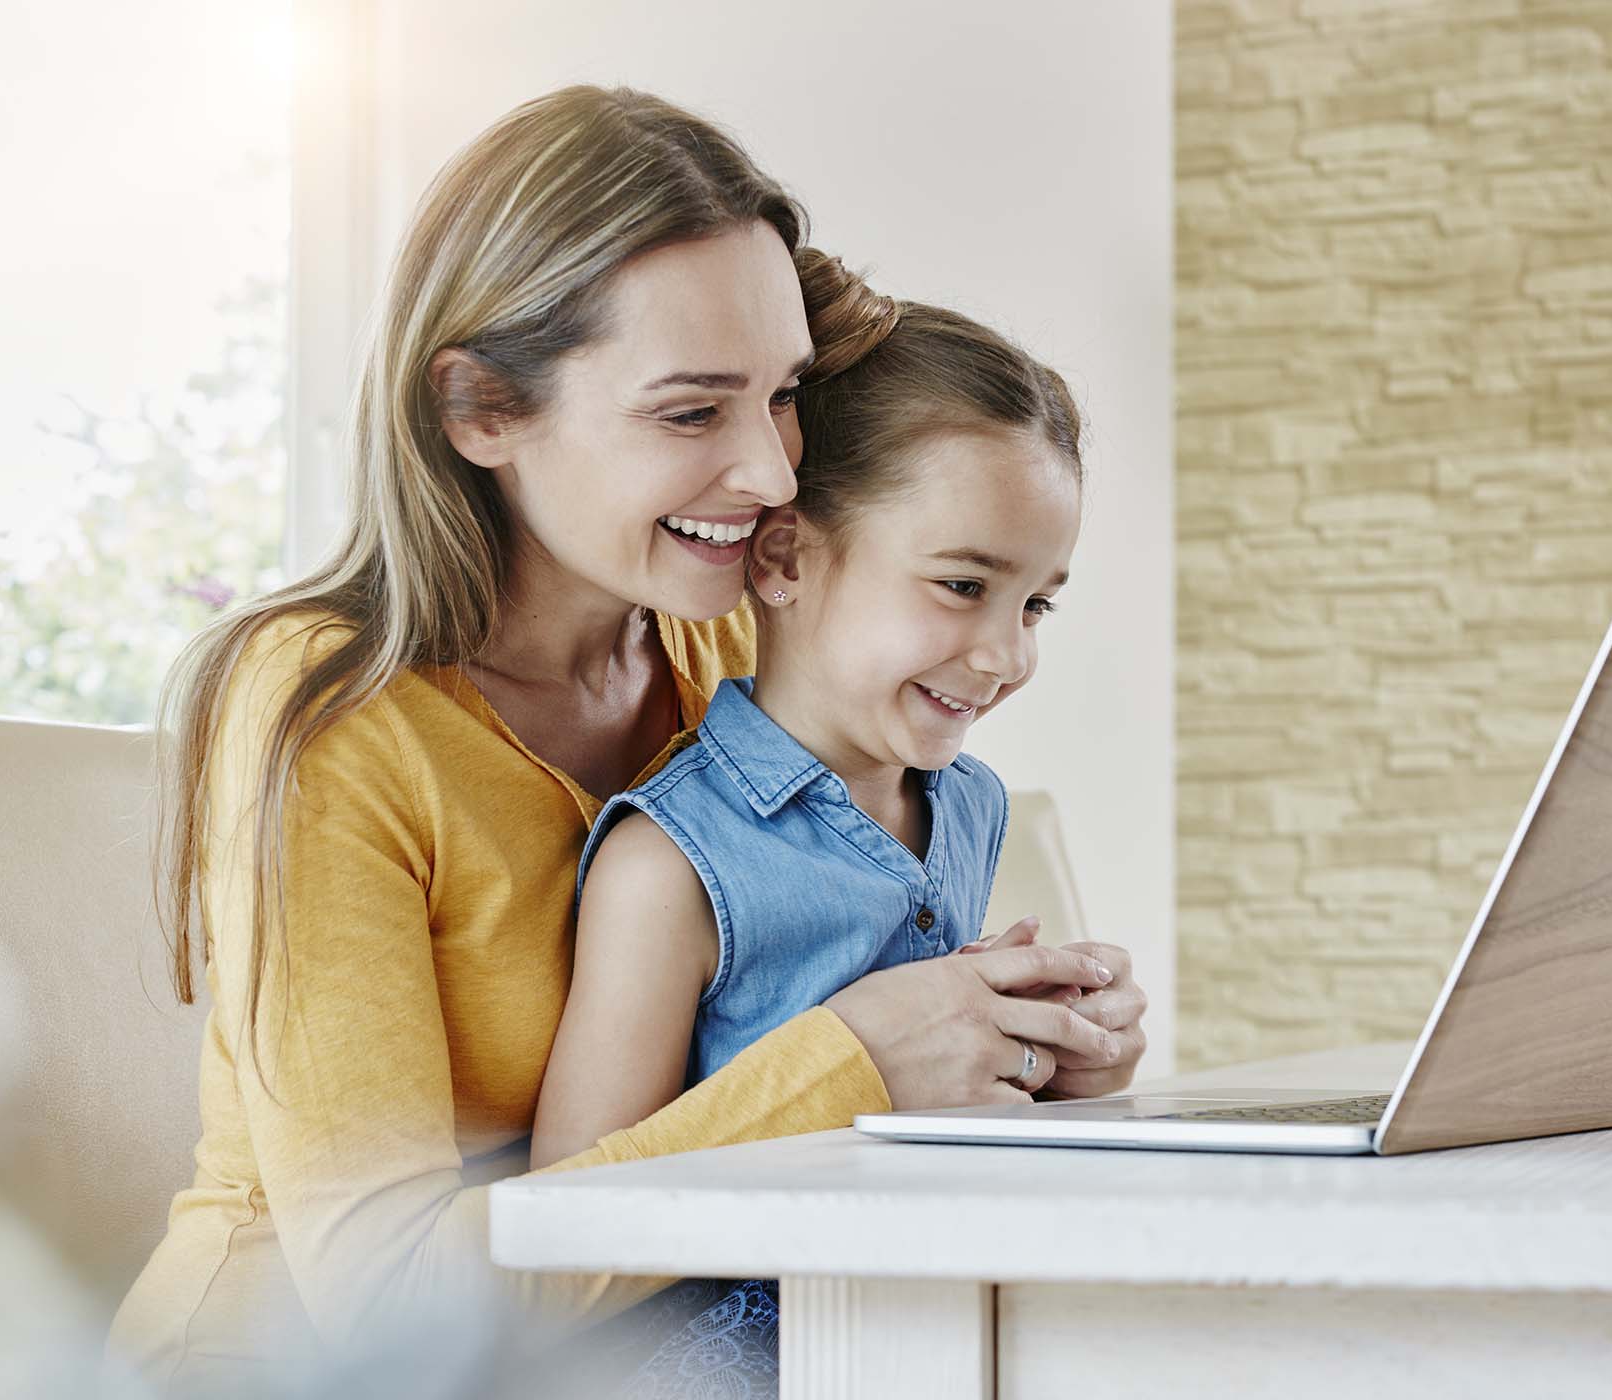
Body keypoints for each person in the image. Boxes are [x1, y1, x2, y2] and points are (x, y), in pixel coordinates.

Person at [107, 85, 1149, 1395]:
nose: (774, 475)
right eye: (690, 412)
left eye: (783, 397)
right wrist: (853, 1067)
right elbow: (389, 1305)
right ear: (482, 409)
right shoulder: (333, 721)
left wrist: (1020, 1050)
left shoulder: (717, 644)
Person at [527, 255, 1102, 1395]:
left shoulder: (968, 804)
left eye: (1034, 602)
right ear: (785, 555)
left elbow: (941, 1104)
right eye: (960, 586)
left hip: (918, 1318)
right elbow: (568, 1220)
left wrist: (1066, 1059)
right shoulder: (669, 863)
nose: (1008, 655)